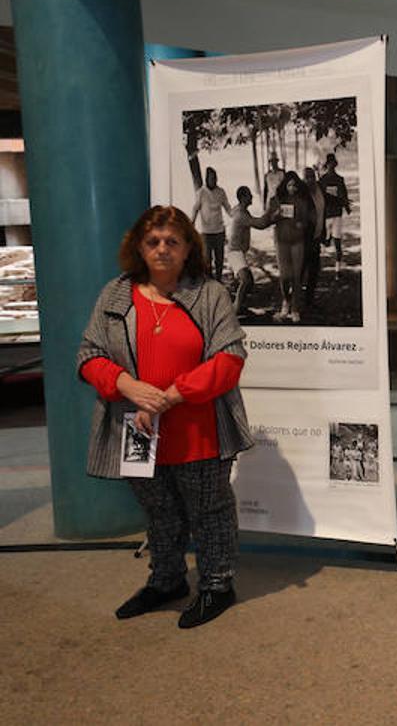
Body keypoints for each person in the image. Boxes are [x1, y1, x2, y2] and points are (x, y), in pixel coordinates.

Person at [76, 205, 252, 629]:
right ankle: (167, 579)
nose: (162, 249)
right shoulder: (116, 295)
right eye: (153, 241)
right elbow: (89, 355)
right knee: (158, 511)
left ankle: (216, 584)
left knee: (209, 509)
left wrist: (173, 395)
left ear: (189, 247)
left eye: (172, 241)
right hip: (137, 431)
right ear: (139, 246)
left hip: (199, 429)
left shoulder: (208, 294)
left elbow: (230, 358)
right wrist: (126, 385)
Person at [266, 170, 315, 323]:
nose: (292, 188)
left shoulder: (302, 201)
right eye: (289, 185)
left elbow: (308, 220)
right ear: (284, 185)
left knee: (296, 277)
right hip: (281, 242)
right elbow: (269, 219)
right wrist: (276, 215)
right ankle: (285, 301)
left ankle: (295, 308)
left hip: (297, 242)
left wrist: (302, 224)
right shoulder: (276, 200)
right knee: (284, 277)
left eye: (295, 185)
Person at [225, 185, 272, 316]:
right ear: (243, 197)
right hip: (235, 252)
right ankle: (235, 309)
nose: (251, 197)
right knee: (246, 281)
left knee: (247, 282)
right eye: (249, 195)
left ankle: (238, 306)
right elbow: (261, 224)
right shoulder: (241, 214)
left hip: (237, 251)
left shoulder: (240, 210)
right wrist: (271, 212)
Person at [190, 166, 232, 281]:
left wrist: (235, 216)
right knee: (207, 260)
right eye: (211, 178)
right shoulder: (201, 193)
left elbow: (227, 207)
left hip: (219, 231)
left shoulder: (221, 192)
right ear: (206, 179)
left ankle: (218, 280)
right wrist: (191, 223)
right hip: (206, 232)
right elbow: (195, 209)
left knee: (219, 259)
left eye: (215, 178)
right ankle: (209, 282)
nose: (214, 180)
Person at [318, 152, 353, 272]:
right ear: (327, 165)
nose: (331, 166)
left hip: (337, 214)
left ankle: (338, 270)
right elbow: (320, 196)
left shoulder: (339, 179)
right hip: (326, 215)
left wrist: (347, 207)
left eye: (333, 163)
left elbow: (344, 194)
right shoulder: (322, 180)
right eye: (329, 164)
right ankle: (319, 267)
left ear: (335, 165)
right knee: (325, 242)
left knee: (337, 242)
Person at [301, 166, 326, 306]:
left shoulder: (319, 189)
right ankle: (294, 301)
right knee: (300, 271)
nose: (309, 180)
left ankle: (309, 300)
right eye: (307, 177)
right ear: (303, 179)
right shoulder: (301, 194)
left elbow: (327, 199)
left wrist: (343, 201)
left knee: (314, 271)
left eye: (312, 177)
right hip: (303, 241)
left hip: (316, 239)